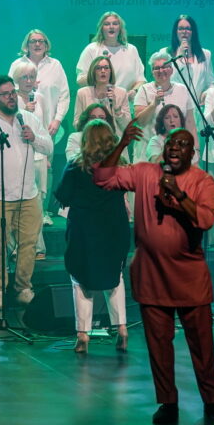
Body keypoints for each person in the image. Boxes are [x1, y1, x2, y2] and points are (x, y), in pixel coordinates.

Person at [94, 126, 214, 424]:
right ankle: (168, 402)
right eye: (170, 143)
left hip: (189, 276)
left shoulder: (203, 181)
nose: (175, 148)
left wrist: (178, 195)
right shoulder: (144, 172)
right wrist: (122, 143)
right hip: (151, 274)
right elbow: (102, 178)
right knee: (158, 345)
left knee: (202, 346)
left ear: (192, 153)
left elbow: (205, 219)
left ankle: (211, 400)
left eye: (182, 145)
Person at [0, 75, 53, 309]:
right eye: (6, 94)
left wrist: (34, 138)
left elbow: (49, 146)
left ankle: (23, 286)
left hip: (28, 193)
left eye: (13, 92)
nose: (12, 97)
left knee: (29, 243)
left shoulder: (29, 119)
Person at [55, 119, 130, 354]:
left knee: (80, 277)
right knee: (114, 276)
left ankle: (82, 334)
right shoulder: (121, 164)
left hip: (84, 228)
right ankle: (122, 328)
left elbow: (62, 196)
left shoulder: (76, 166)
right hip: (114, 226)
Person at [134, 52, 197, 162]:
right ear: (152, 72)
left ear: (171, 69)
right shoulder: (144, 90)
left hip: (177, 152)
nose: (161, 71)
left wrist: (196, 150)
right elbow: (139, 122)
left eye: (164, 67)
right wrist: (154, 104)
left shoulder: (182, 90)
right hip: (148, 151)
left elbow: (190, 123)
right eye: (156, 68)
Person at [14, 62, 49, 258]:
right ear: (17, 81)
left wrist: (47, 155)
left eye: (31, 77)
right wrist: (25, 109)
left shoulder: (40, 98)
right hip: (21, 157)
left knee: (38, 205)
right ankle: (18, 247)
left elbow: (44, 126)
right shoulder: (12, 100)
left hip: (39, 156)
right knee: (21, 203)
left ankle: (38, 246)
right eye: (24, 78)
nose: (28, 81)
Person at [9, 29, 70, 138]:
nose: (37, 44)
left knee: (46, 153)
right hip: (21, 126)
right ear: (27, 45)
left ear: (46, 45)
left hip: (49, 127)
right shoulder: (17, 65)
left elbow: (64, 96)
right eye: (33, 41)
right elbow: (10, 93)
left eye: (41, 41)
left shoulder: (55, 65)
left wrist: (58, 119)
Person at [76, 11, 145, 96]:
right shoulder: (91, 49)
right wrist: (97, 69)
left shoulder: (131, 49)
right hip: (99, 104)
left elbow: (141, 80)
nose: (111, 27)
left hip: (125, 103)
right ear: (101, 28)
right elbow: (80, 81)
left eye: (115, 24)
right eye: (107, 24)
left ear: (120, 28)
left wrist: (134, 91)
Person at [154, 14, 214, 101]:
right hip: (174, 106)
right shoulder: (164, 53)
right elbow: (165, 81)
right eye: (181, 28)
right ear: (176, 32)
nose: (184, 31)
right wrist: (180, 56)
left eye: (188, 28)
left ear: (193, 32)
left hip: (197, 108)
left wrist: (207, 93)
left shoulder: (205, 54)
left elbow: (211, 83)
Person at [73, 56, 131, 136]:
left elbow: (127, 127)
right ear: (93, 72)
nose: (103, 71)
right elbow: (77, 124)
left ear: (111, 71)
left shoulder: (122, 93)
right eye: (98, 68)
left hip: (115, 143)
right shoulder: (82, 93)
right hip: (91, 141)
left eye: (106, 68)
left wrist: (117, 108)